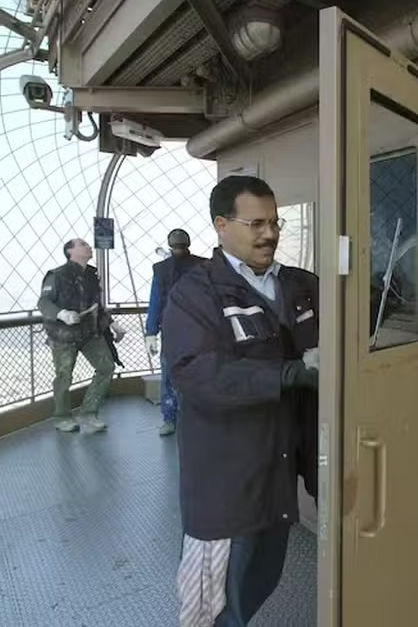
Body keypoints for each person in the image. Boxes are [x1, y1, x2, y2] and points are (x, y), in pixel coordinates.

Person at [164, 175, 319, 627]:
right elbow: (195, 374)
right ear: (221, 225)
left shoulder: (301, 286)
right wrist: (288, 372)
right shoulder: (196, 294)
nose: (269, 233)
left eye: (274, 222)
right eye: (256, 223)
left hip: (279, 478)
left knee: (257, 586)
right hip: (226, 493)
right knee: (210, 611)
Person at [37, 238, 126, 433]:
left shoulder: (91, 275)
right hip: (63, 335)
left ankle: (88, 412)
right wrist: (62, 314)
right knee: (64, 376)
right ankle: (62, 417)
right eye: (82, 244)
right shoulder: (57, 275)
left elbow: (96, 305)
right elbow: (43, 303)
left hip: (88, 332)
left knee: (106, 367)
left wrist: (112, 324)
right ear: (70, 251)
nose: (88, 246)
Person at [144, 228, 205, 436]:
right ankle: (177, 417)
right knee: (177, 372)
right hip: (193, 326)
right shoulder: (201, 265)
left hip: (182, 327)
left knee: (173, 373)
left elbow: (155, 301)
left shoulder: (163, 269)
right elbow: (156, 300)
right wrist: (151, 331)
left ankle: (174, 417)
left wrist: (151, 331)